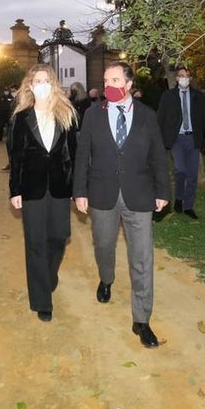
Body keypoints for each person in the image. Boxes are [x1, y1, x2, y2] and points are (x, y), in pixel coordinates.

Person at [74, 62, 169, 348]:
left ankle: (141, 320)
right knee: (104, 246)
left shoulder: (147, 115)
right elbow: (82, 155)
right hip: (102, 193)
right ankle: (106, 278)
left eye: (115, 80)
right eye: (106, 81)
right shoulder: (93, 114)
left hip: (138, 194)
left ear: (128, 84)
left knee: (142, 258)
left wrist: (163, 191)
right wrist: (80, 191)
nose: (108, 86)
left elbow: (157, 156)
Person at [8, 64, 78, 322]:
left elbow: (75, 154)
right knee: (36, 242)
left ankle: (48, 276)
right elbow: (16, 157)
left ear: (53, 84)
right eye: (37, 81)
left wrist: (77, 188)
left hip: (61, 186)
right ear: (30, 85)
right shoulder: (21, 118)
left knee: (60, 236)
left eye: (46, 80)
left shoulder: (67, 114)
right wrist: (15, 190)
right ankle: (41, 300)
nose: (42, 85)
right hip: (31, 188)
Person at [155, 66, 205, 220]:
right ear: (176, 78)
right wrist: (157, 140)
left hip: (193, 139)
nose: (184, 78)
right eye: (181, 76)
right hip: (177, 139)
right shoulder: (168, 96)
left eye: (187, 76)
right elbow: (160, 117)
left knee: (192, 174)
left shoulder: (198, 96)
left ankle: (188, 206)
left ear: (190, 79)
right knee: (180, 170)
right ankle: (179, 198)